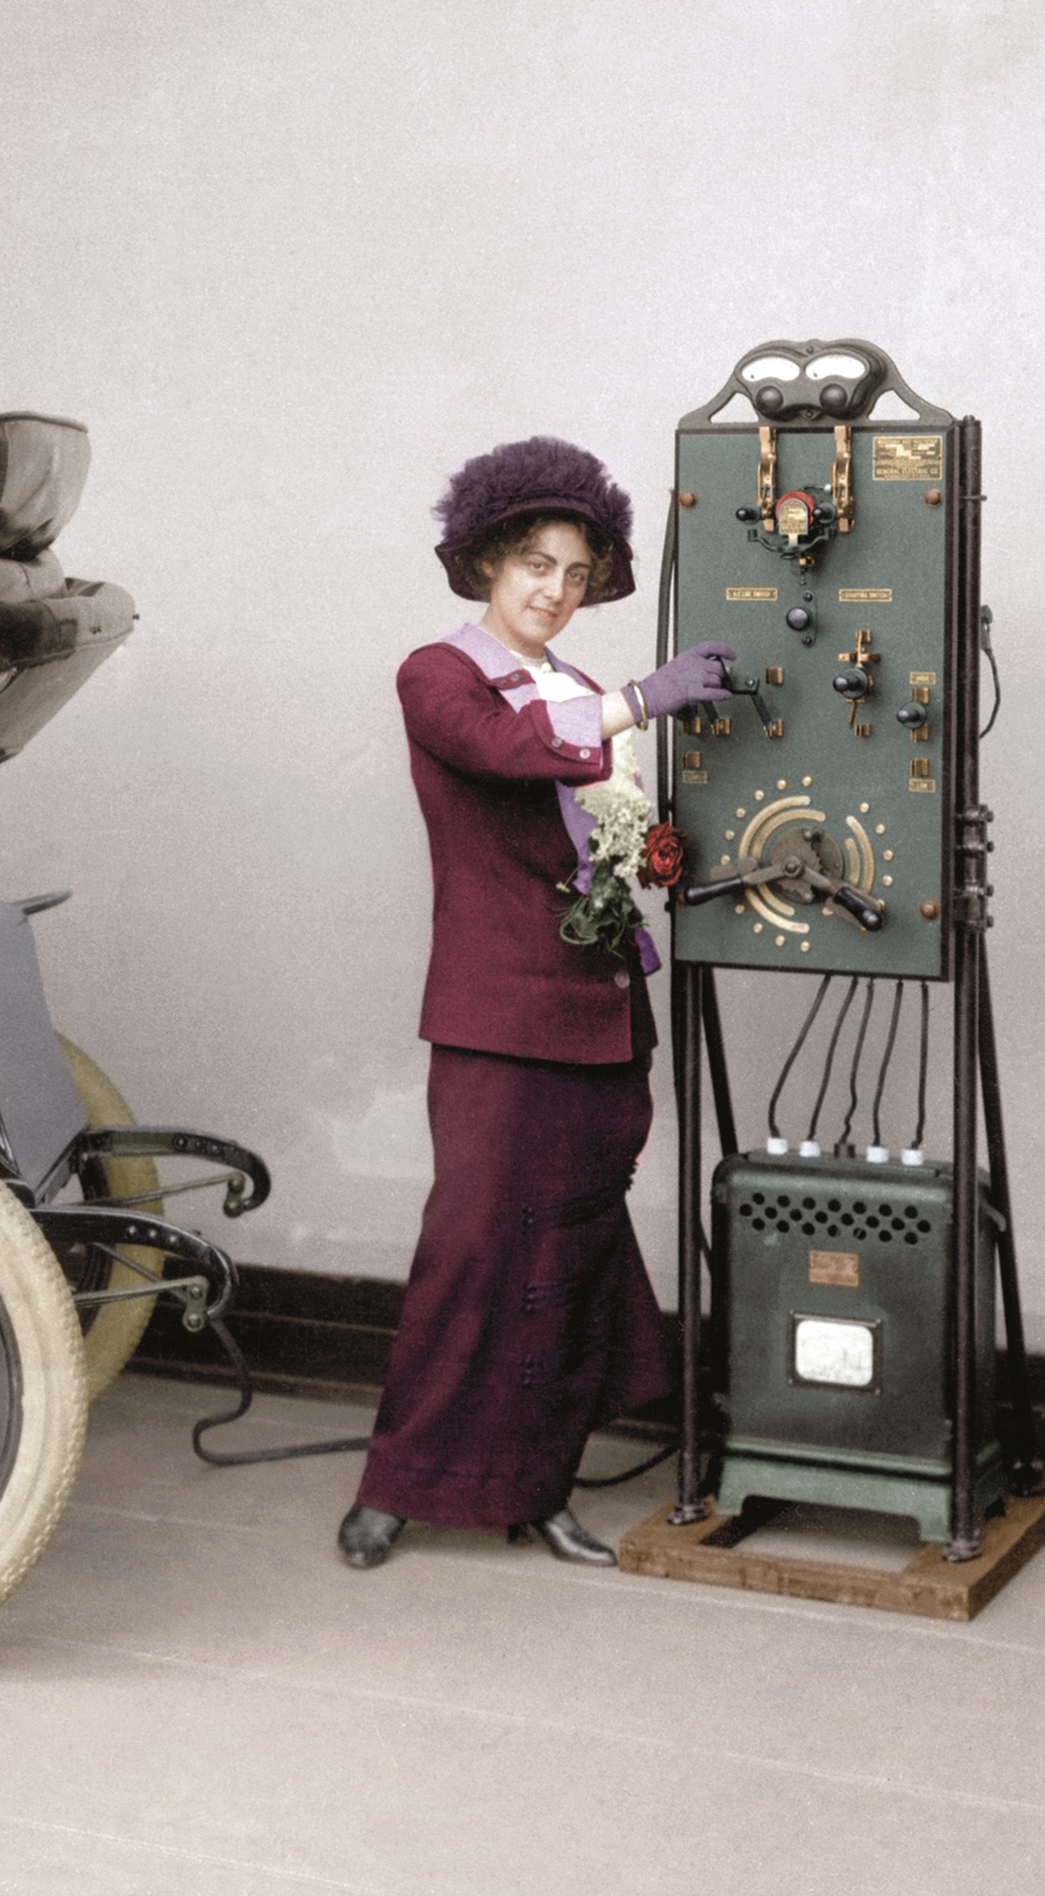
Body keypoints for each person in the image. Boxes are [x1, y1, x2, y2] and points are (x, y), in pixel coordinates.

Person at [337, 437, 735, 1570]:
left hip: (605, 1015)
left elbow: (615, 846)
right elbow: (500, 752)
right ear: (483, 566)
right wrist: (637, 702)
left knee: (573, 1250)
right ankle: (396, 1485)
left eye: (573, 571)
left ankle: (539, 1483)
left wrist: (669, 857)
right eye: (531, 565)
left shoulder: (579, 694)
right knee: (468, 1251)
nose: (554, 591)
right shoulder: (440, 674)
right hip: (497, 1017)